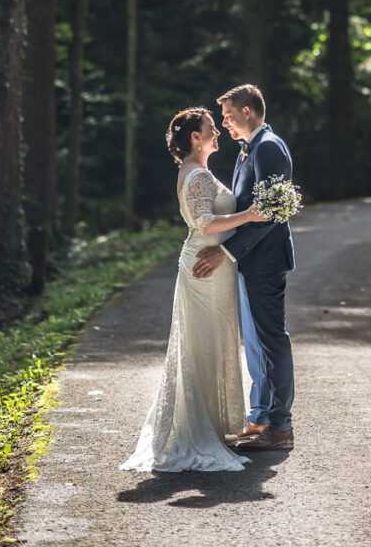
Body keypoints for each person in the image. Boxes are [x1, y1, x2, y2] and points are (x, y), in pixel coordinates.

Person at [121, 106, 265, 472]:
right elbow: (204, 223)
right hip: (205, 265)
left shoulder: (195, 170)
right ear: (196, 138)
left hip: (209, 261)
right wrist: (249, 215)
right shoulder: (198, 174)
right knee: (205, 343)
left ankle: (213, 424)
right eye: (211, 128)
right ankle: (201, 430)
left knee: (210, 342)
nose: (218, 132)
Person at [192, 84, 295, 451]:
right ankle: (262, 417)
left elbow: (272, 211)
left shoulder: (267, 147)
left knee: (271, 341)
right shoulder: (250, 148)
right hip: (252, 261)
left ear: (247, 112)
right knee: (255, 344)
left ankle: (281, 428)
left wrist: (227, 251)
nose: (225, 123)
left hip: (265, 261)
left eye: (229, 115)